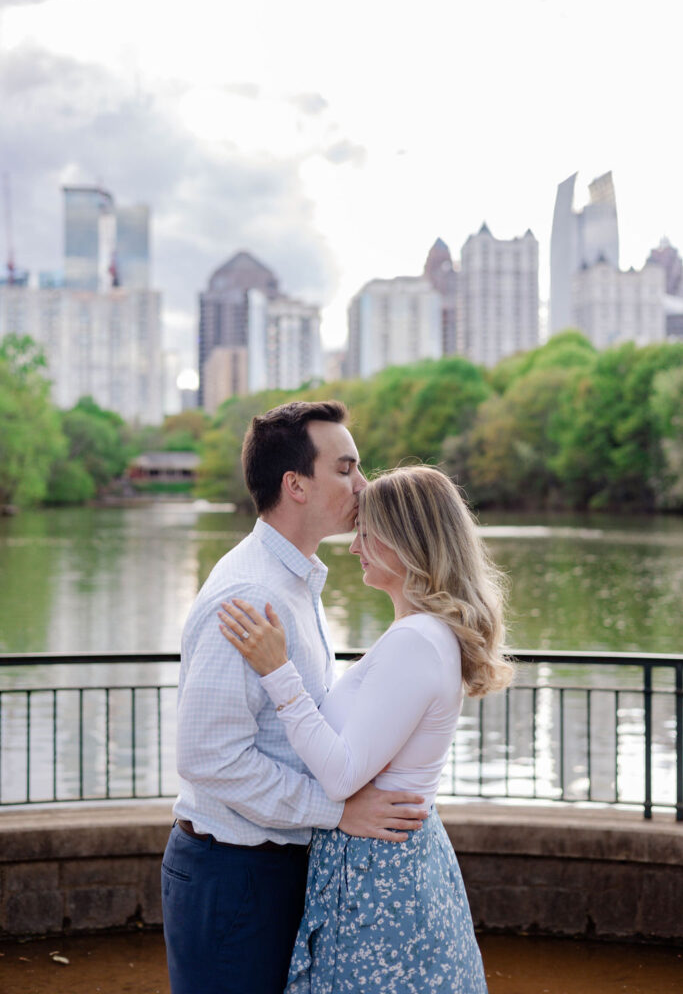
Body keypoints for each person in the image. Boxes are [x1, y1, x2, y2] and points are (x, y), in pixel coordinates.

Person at [161, 401, 428, 994]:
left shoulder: (292, 581)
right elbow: (208, 757)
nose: (363, 484)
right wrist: (338, 812)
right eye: (346, 469)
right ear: (296, 485)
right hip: (235, 873)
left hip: (268, 867)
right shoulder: (253, 593)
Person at [219, 464, 514, 993]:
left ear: (406, 542)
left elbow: (342, 775)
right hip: (384, 863)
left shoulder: (417, 641)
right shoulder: (418, 633)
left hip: (382, 875)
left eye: (368, 533)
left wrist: (278, 671)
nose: (355, 546)